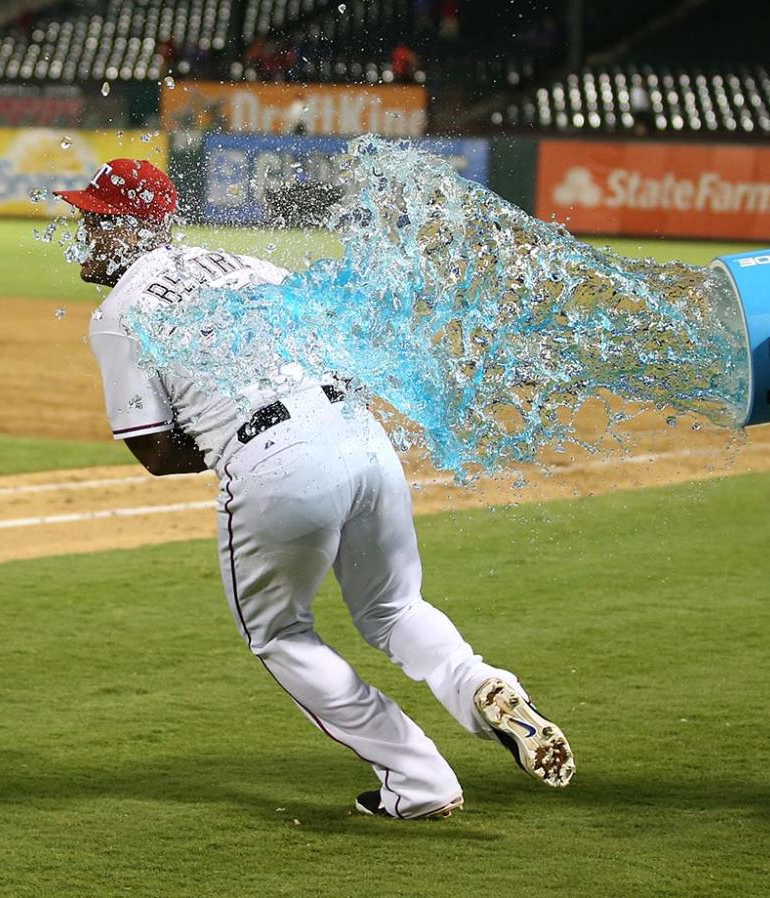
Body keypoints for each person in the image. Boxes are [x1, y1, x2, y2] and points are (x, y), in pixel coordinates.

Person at [56, 159, 575, 820]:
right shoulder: (249, 266)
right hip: (363, 438)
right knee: (395, 608)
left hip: (278, 464)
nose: (82, 232)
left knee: (281, 635)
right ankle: (481, 684)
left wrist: (229, 425)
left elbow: (157, 453)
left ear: (124, 228)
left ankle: (420, 780)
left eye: (92, 219)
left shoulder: (120, 310)